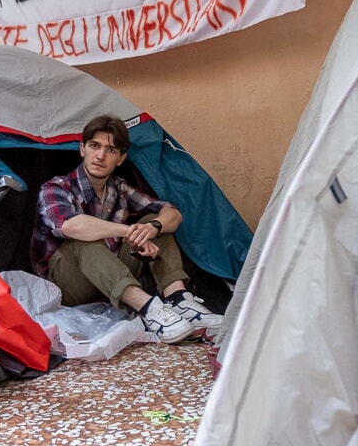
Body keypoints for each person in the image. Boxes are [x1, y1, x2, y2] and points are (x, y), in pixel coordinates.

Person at [30, 115, 221, 343]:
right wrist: (128, 231)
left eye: (111, 150)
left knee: (154, 222)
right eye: (94, 146)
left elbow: (173, 214)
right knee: (82, 238)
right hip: (69, 285)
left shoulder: (118, 188)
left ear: (121, 158)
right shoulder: (56, 187)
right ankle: (150, 309)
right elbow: (70, 225)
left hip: (111, 276)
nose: (100, 156)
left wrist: (151, 228)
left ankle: (179, 301)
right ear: (82, 149)